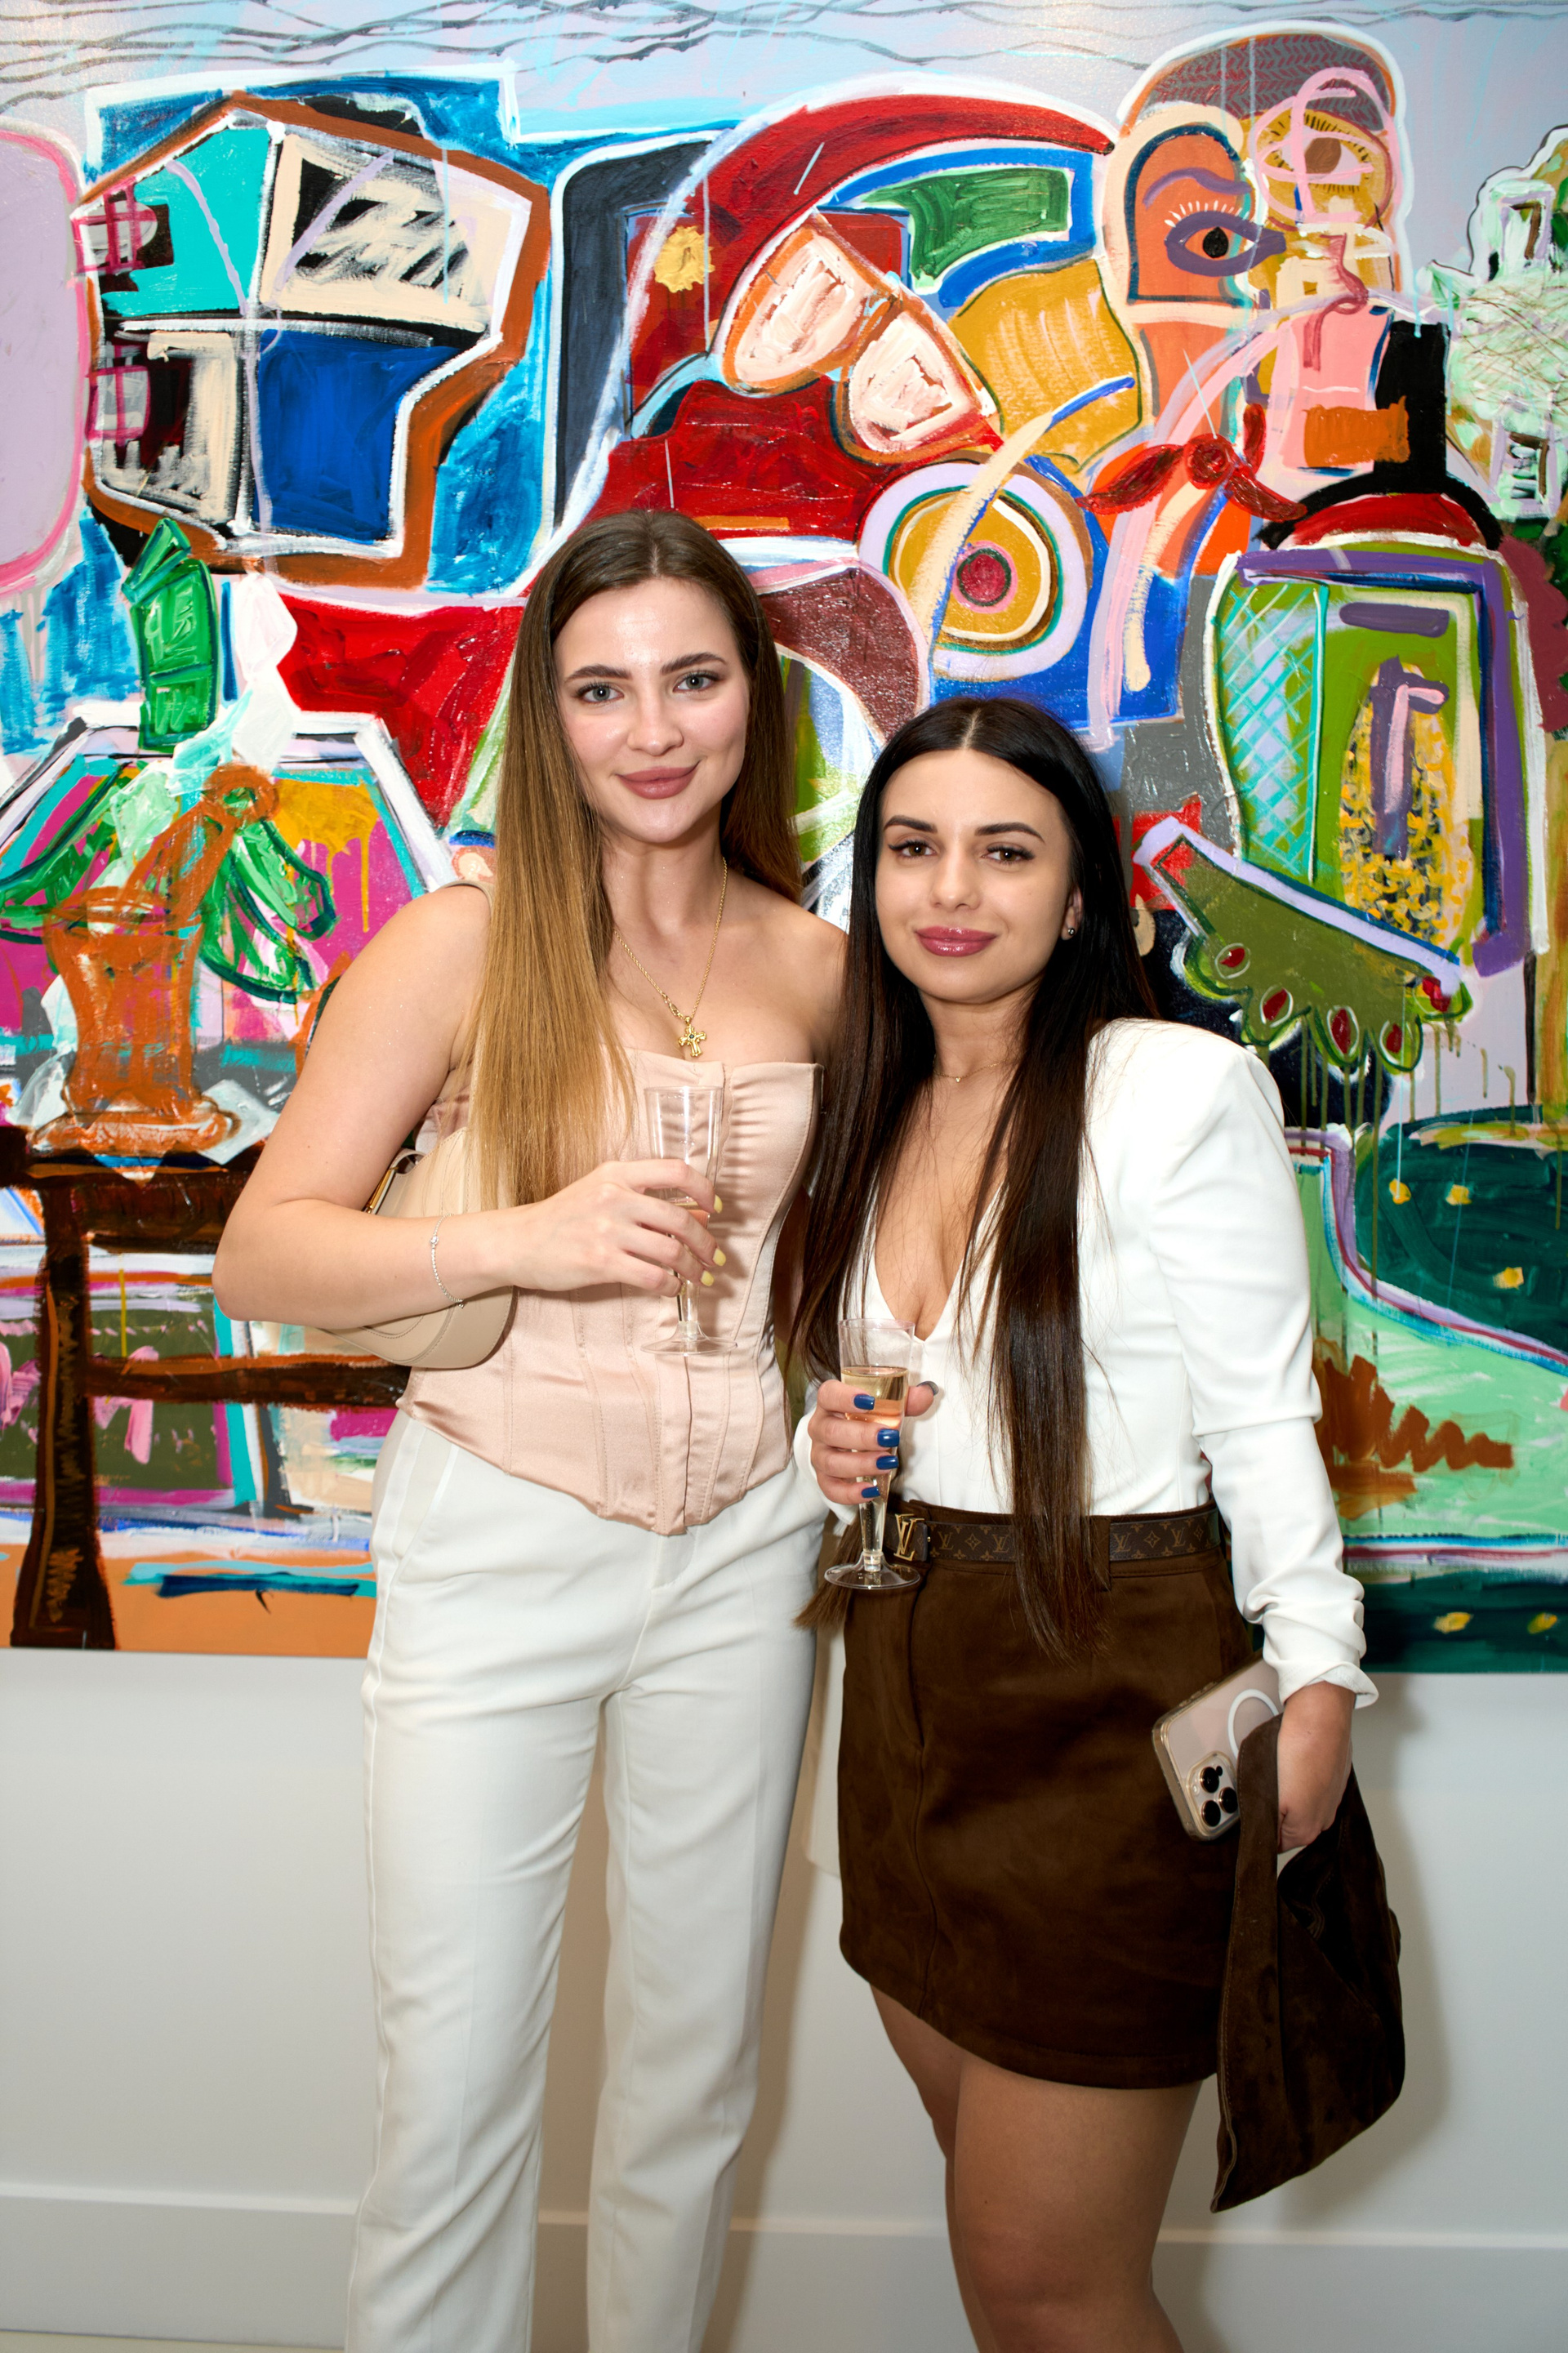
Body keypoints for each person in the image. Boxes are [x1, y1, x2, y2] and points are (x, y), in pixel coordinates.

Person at [214, 510, 843, 2353]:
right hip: (497, 1538)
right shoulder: (464, 943)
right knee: (456, 2093)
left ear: (753, 699)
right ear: (547, 718)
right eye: (601, 688)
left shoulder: (823, 964)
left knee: (694, 2082)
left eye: (693, 679)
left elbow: (872, 1276)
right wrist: (521, 1239)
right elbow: (264, 1253)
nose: (652, 729)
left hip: (749, 1555)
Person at [792, 695, 1374, 2353]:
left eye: (1005, 850)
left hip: (1116, 1697)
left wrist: (1318, 1676)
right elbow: (893, 1389)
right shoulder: (868, 1098)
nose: (950, 888)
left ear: (1076, 898)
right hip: (908, 1700)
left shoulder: (1170, 1085)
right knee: (1004, 2254)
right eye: (914, 847)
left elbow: (1261, 1411)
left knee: (1050, 2279)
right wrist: (831, 1436)